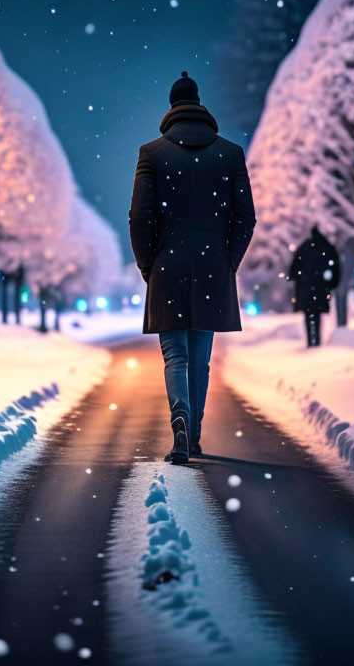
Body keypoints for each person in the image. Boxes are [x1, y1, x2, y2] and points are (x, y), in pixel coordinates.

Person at [129, 71, 256, 464]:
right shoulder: (230, 153)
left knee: (176, 356)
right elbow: (245, 217)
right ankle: (195, 433)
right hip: (212, 267)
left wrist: (148, 264)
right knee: (200, 357)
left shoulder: (152, 153)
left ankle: (179, 418)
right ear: (200, 106)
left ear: (171, 109)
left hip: (167, 265)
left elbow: (140, 217)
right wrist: (227, 259)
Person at [288, 226, 340, 347]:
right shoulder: (327, 247)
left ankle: (311, 341)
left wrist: (300, 279)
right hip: (321, 288)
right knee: (317, 314)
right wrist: (331, 284)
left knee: (309, 314)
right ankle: (316, 340)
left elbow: (293, 270)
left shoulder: (304, 248)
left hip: (306, 289)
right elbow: (335, 269)